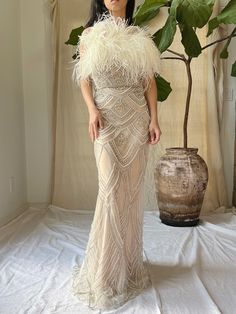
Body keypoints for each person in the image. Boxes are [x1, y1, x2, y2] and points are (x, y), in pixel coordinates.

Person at [71, 0, 161, 311]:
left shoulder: (140, 38)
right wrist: (91, 109)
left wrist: (154, 119)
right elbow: (85, 78)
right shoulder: (89, 36)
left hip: (135, 121)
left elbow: (149, 82)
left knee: (130, 196)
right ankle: (103, 276)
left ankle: (127, 268)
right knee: (110, 193)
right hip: (106, 120)